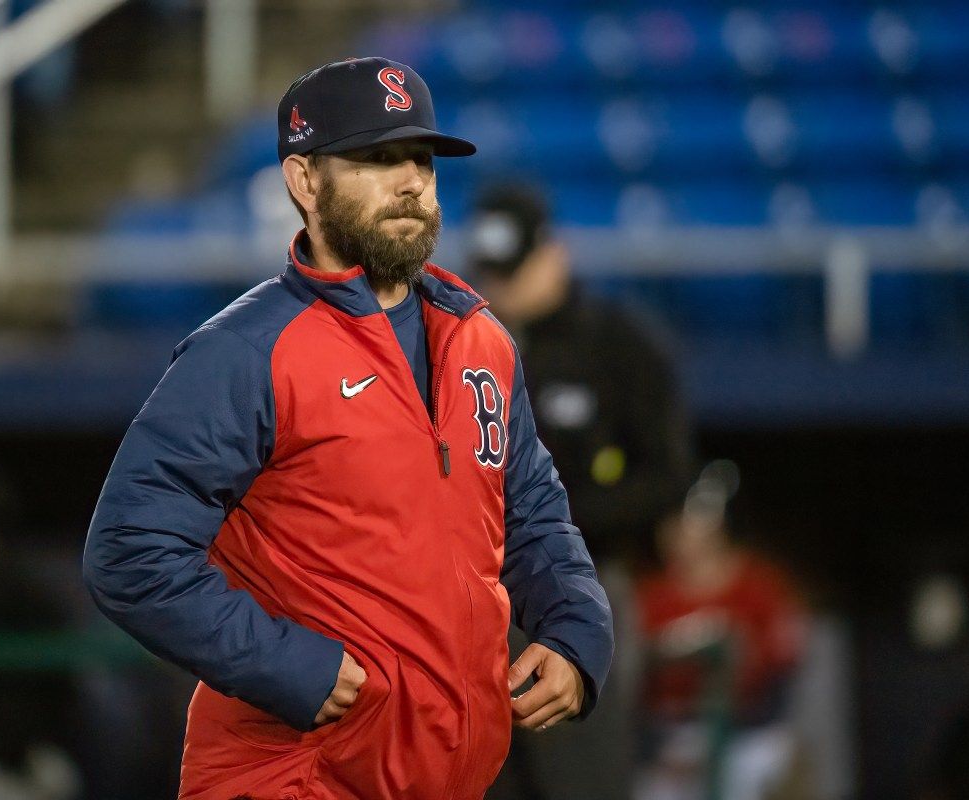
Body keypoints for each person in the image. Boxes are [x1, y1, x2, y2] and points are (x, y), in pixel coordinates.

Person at [83, 57, 614, 800]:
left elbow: (530, 510)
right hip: (293, 776)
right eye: (375, 158)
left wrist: (573, 629)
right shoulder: (248, 350)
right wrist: (285, 663)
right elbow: (128, 550)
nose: (410, 181)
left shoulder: (480, 338)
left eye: (420, 160)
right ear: (304, 181)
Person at [469, 184, 693, 800]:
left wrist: (555, 522)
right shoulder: (459, 345)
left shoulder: (614, 345)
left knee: (579, 779)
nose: (504, 286)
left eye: (515, 270)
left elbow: (671, 475)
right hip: (475, 602)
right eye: (493, 272)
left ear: (555, 254)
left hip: (586, 589)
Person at [634, 463, 807, 800]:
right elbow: (633, 688)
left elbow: (781, 674)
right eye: (672, 523)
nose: (677, 532)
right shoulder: (651, 596)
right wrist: (656, 748)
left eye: (687, 521)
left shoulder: (760, 586)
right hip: (671, 739)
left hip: (747, 735)